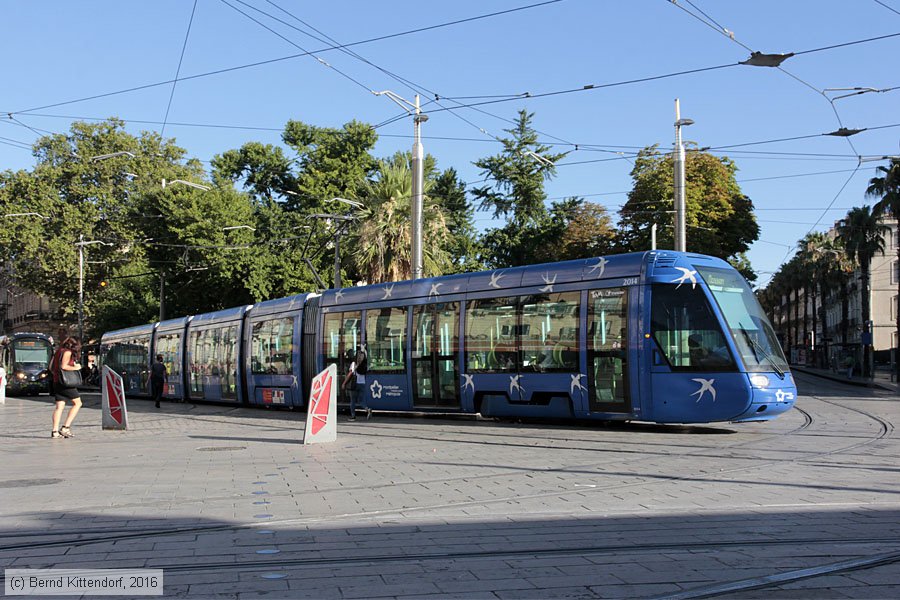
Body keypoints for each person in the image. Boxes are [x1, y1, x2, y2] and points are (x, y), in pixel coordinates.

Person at [49, 337, 83, 439]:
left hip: (57, 382)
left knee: (59, 407)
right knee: (78, 403)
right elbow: (64, 366)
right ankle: (65, 427)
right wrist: (76, 367)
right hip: (65, 383)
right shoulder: (67, 352)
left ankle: (55, 431)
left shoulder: (58, 351)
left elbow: (51, 367)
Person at [341, 343, 371, 421]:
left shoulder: (354, 364)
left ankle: (353, 416)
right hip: (362, 383)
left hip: (354, 384)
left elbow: (350, 373)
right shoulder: (365, 364)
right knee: (361, 401)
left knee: (353, 401)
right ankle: (367, 409)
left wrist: (344, 383)